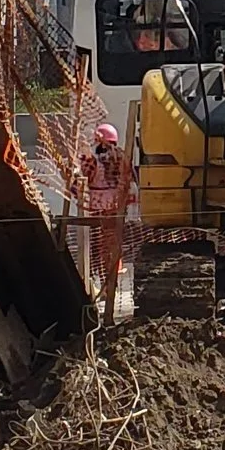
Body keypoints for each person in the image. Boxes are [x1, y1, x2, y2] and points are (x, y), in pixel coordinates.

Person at [82, 121, 134, 324]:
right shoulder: (121, 156)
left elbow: (85, 174)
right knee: (113, 243)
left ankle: (105, 285)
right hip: (116, 205)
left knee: (100, 245)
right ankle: (112, 280)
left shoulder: (93, 159)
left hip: (98, 204)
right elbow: (129, 178)